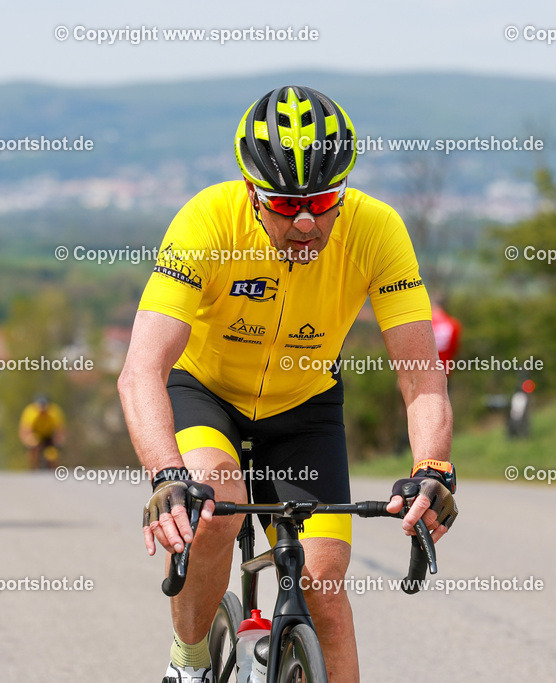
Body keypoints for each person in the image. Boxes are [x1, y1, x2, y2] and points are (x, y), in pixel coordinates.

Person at [118, 86, 458, 683]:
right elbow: (141, 370)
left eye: (323, 200)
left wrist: (433, 466)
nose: (305, 223)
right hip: (206, 391)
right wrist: (166, 475)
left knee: (323, 591)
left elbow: (421, 371)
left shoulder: (377, 231)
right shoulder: (207, 220)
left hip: (304, 407)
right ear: (251, 190)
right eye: (283, 204)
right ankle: (190, 660)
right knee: (213, 508)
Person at [18, 395, 66, 469]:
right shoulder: (30, 412)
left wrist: (59, 441)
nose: (42, 409)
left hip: (49, 435)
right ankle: (34, 468)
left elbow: (60, 430)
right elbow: (25, 430)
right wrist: (27, 441)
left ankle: (54, 470)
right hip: (36, 434)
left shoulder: (54, 412)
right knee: (33, 447)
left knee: (53, 454)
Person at [430, 295, 461, 375]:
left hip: (424, 369)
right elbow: (454, 349)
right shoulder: (453, 323)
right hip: (444, 369)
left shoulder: (426, 324)